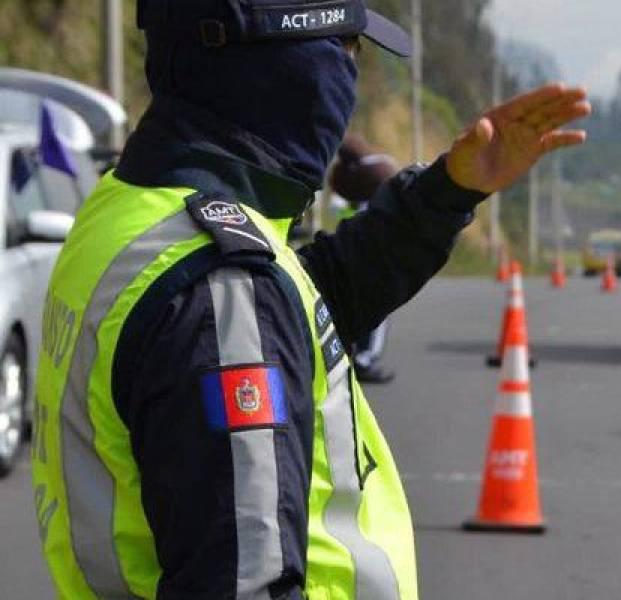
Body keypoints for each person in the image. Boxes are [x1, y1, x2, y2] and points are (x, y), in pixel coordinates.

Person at [30, 1, 590, 598]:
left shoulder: (136, 206)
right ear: (285, 62)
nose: (352, 77)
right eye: (347, 51)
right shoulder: (223, 289)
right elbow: (247, 583)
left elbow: (305, 306)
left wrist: (448, 191)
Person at [329, 135, 402, 383]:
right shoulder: (376, 193)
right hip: (373, 259)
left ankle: (350, 356)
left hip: (352, 254)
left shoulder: (360, 193)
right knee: (378, 311)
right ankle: (364, 359)